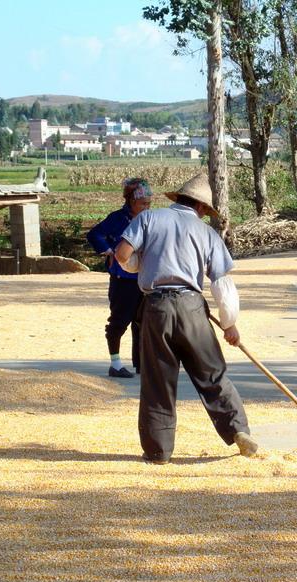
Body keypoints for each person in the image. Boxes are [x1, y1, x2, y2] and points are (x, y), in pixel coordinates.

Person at [113, 172, 258, 464]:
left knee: (158, 383)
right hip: (191, 307)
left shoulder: (148, 219)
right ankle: (238, 431)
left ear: (178, 199)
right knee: (212, 374)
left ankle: (158, 452)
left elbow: (121, 254)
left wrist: (140, 266)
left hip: (156, 307)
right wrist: (230, 324)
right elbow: (221, 283)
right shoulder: (207, 234)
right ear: (202, 208)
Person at [86, 177, 152, 378]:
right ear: (132, 201)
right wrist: (108, 251)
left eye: (149, 203)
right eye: (143, 203)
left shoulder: (150, 218)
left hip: (144, 278)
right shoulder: (117, 218)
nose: (147, 207)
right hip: (123, 279)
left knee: (144, 322)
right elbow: (94, 234)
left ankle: (142, 365)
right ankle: (115, 364)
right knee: (119, 321)